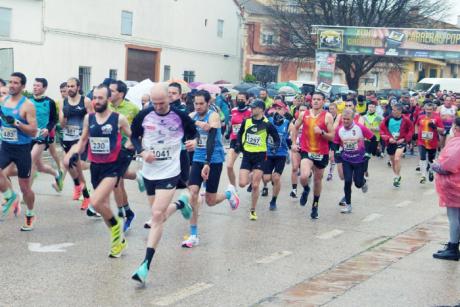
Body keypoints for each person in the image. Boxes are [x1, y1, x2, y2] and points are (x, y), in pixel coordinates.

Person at [130, 84, 195, 285]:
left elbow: (193, 133)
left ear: (169, 99)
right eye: (154, 103)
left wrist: (192, 142)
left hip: (170, 170)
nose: (158, 107)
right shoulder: (145, 114)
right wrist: (141, 152)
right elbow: (133, 136)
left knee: (157, 215)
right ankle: (180, 204)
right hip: (149, 171)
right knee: (158, 215)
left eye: (162, 103)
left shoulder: (180, 115)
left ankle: (145, 265)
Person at [71, 84, 132, 257]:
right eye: (95, 97)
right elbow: (83, 140)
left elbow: (133, 137)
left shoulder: (118, 119)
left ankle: (117, 229)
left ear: (108, 99)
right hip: (96, 166)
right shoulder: (88, 119)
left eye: (100, 98)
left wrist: (128, 149)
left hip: (113, 167)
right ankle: (119, 241)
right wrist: (76, 153)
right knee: (103, 206)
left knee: (96, 202)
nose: (97, 101)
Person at [182, 90, 239, 248]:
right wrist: (192, 139)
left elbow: (212, 138)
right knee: (193, 193)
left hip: (213, 160)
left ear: (208, 103)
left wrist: (207, 160)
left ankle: (229, 194)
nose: (198, 106)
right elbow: (188, 132)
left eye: (201, 103)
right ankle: (193, 235)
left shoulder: (213, 115)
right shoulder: (193, 116)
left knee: (210, 200)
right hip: (197, 159)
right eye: (196, 103)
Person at [0, 72, 38, 230]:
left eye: (16, 83)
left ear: (22, 86)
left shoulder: (27, 105)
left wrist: (17, 123)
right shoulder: (3, 100)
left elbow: (33, 131)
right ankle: (10, 196)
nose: (12, 85)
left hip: (22, 149)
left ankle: (30, 213)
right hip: (6, 146)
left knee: (25, 187)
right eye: (11, 82)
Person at [292, 92, 334, 219]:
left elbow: (332, 136)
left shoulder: (327, 116)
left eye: (318, 99)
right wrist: (294, 143)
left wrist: (321, 132)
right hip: (306, 150)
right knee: (304, 176)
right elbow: (295, 128)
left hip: (321, 153)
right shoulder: (304, 114)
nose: (315, 101)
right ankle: (305, 189)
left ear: (323, 101)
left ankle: (315, 205)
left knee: (317, 180)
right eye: (314, 99)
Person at [236, 99, 280, 220]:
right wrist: (239, 144)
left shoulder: (267, 124)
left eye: (254, 107)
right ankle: (251, 175)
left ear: (261, 109)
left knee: (255, 185)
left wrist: (275, 147)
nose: (251, 109)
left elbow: (276, 138)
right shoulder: (247, 121)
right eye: (251, 107)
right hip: (247, 155)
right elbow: (240, 134)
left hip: (260, 156)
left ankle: (253, 210)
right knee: (242, 183)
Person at [108, 80, 139, 230]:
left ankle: (121, 215)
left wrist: (134, 142)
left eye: (112, 91)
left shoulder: (132, 108)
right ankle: (127, 211)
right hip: (109, 150)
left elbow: (141, 127)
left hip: (125, 149)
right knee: (118, 182)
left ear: (120, 93)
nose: (109, 93)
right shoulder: (105, 106)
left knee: (116, 181)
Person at [61, 77, 94, 209]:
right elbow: (62, 125)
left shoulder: (85, 101)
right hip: (67, 138)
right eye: (68, 86)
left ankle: (86, 195)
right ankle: (78, 185)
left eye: (72, 86)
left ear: (78, 87)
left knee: (74, 164)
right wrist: (65, 116)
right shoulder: (64, 102)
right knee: (70, 165)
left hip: (80, 139)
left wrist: (88, 137)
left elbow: (93, 120)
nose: (70, 89)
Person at [333, 109, 375, 213]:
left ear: (353, 119)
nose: (345, 121)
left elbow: (373, 138)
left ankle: (363, 182)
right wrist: (337, 151)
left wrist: (368, 153)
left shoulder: (360, 128)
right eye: (344, 119)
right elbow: (335, 143)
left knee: (358, 184)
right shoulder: (339, 129)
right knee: (347, 181)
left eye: (348, 119)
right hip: (346, 159)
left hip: (359, 160)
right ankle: (348, 205)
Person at [432, 117, 460, 261]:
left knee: (454, 217)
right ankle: (453, 245)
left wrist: (436, 166)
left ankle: (453, 247)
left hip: (455, 188)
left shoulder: (458, 144)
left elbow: (448, 166)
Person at [263, 100, 293, 210]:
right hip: (268, 153)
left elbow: (293, 137)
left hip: (281, 154)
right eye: (275, 108)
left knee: (276, 177)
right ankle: (268, 184)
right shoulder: (268, 120)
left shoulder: (288, 123)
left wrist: (293, 146)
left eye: (279, 108)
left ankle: (273, 201)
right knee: (266, 178)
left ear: (285, 110)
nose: (277, 111)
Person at [380, 103, 414, 188]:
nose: (392, 111)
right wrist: (388, 138)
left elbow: (411, 130)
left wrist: (405, 139)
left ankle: (397, 176)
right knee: (392, 161)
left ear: (400, 111)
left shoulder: (406, 120)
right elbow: (382, 129)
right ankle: (396, 175)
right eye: (392, 110)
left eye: (394, 110)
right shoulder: (388, 119)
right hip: (391, 142)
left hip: (401, 142)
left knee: (397, 158)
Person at [226, 92, 251, 187]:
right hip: (235, 140)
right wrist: (228, 133)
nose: (240, 101)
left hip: (247, 141)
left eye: (242, 99)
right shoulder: (233, 110)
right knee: (229, 166)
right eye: (238, 99)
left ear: (247, 101)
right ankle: (233, 188)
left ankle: (251, 180)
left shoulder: (250, 111)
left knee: (250, 170)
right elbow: (231, 123)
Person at [416, 103, 444, 183]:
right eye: (427, 109)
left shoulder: (437, 118)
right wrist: (415, 133)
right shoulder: (421, 117)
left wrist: (435, 127)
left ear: (433, 110)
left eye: (430, 109)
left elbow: (442, 130)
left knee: (431, 160)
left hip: (432, 142)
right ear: (424, 109)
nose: (428, 111)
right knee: (422, 157)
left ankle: (431, 171)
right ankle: (423, 176)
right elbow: (417, 125)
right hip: (422, 141)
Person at [363, 103, 383, 177]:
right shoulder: (364, 117)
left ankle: (379, 151)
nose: (370, 108)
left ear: (375, 108)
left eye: (372, 107)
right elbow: (362, 126)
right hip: (366, 139)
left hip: (376, 139)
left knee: (374, 153)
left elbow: (383, 128)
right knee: (366, 155)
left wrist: (375, 128)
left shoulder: (379, 117)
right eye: (369, 107)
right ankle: (365, 171)